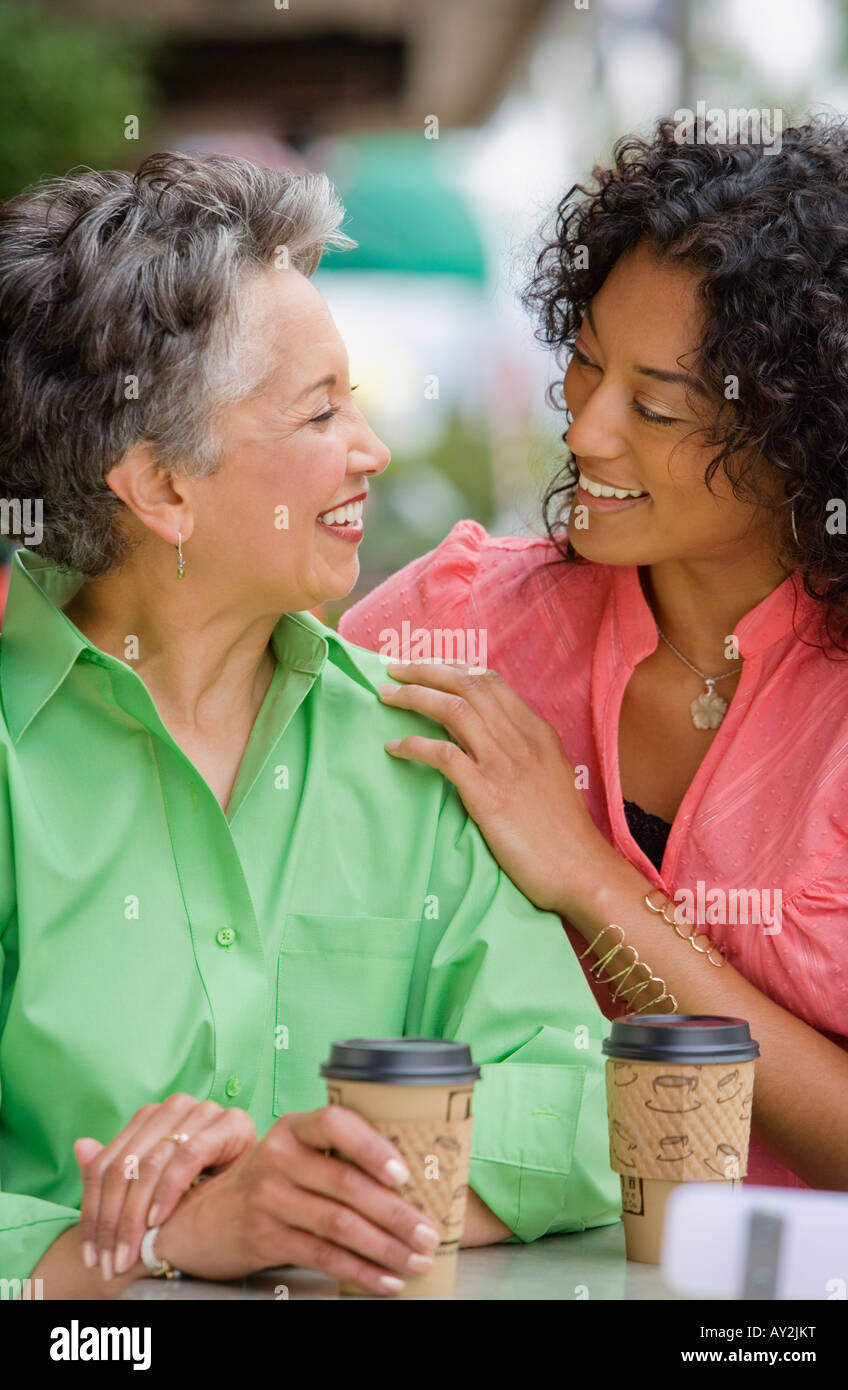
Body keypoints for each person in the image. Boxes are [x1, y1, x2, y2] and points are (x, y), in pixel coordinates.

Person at [0, 152, 621, 1300]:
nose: (371, 450)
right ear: (162, 488)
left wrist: (304, 1191)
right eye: (320, 409)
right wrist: (149, 1240)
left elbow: (587, 1102)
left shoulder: (412, 748)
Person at [339, 113, 848, 1194]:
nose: (583, 431)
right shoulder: (449, 623)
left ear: (805, 434)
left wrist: (584, 874)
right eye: (583, 366)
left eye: (655, 406)